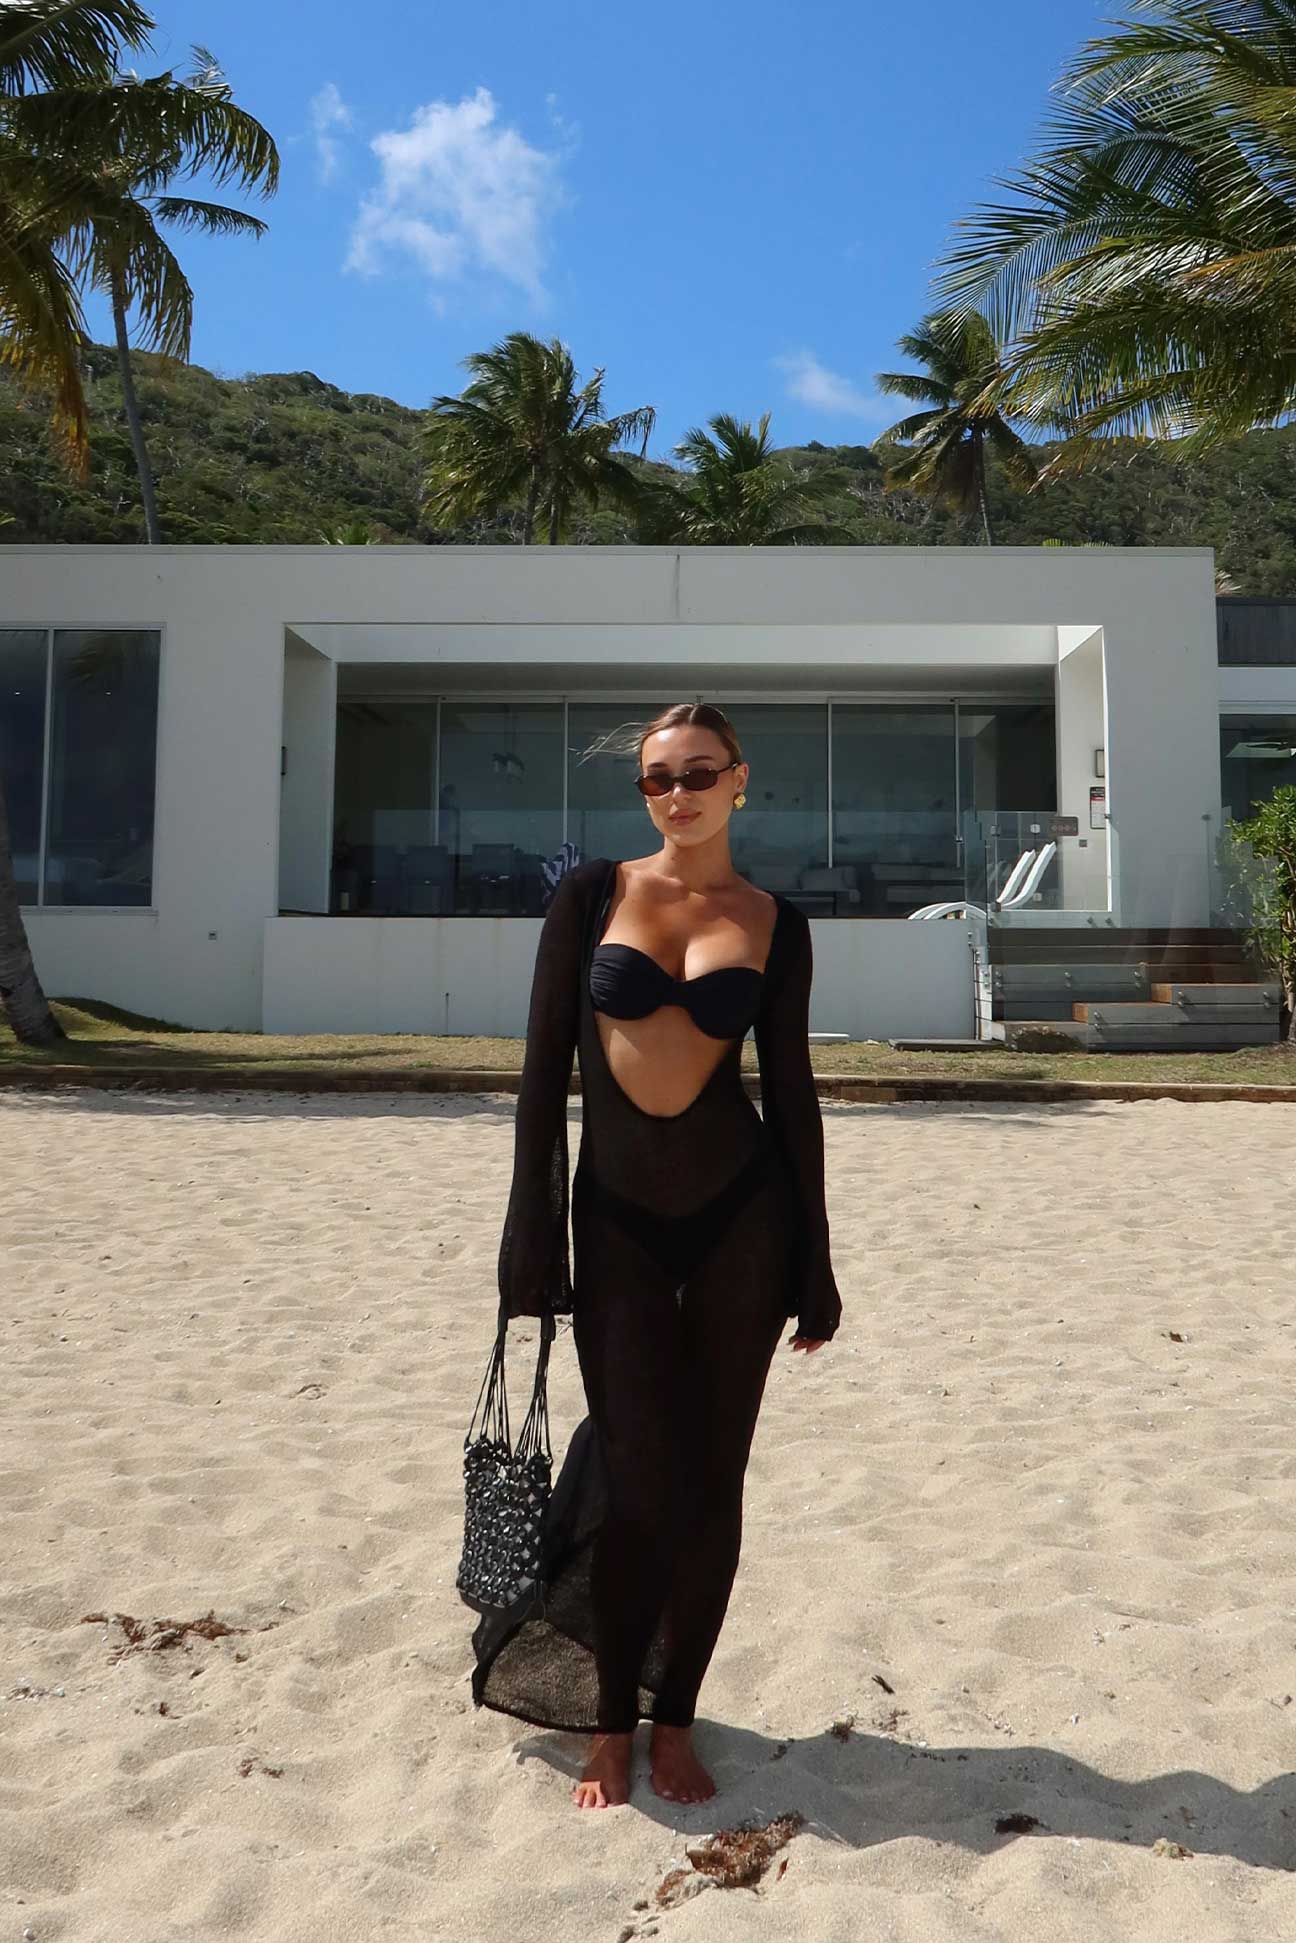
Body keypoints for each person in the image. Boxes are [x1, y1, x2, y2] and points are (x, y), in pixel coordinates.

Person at [482, 701, 842, 1810]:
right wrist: (528, 1240)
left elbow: (791, 1092)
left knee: (713, 1484)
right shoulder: (594, 894)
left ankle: (675, 1717)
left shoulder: (775, 918)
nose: (676, 793)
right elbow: (545, 1077)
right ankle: (609, 1721)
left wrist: (817, 1257)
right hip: (620, 1223)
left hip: (745, 1215)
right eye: (656, 779)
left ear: (740, 779)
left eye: (697, 773)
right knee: (640, 1486)